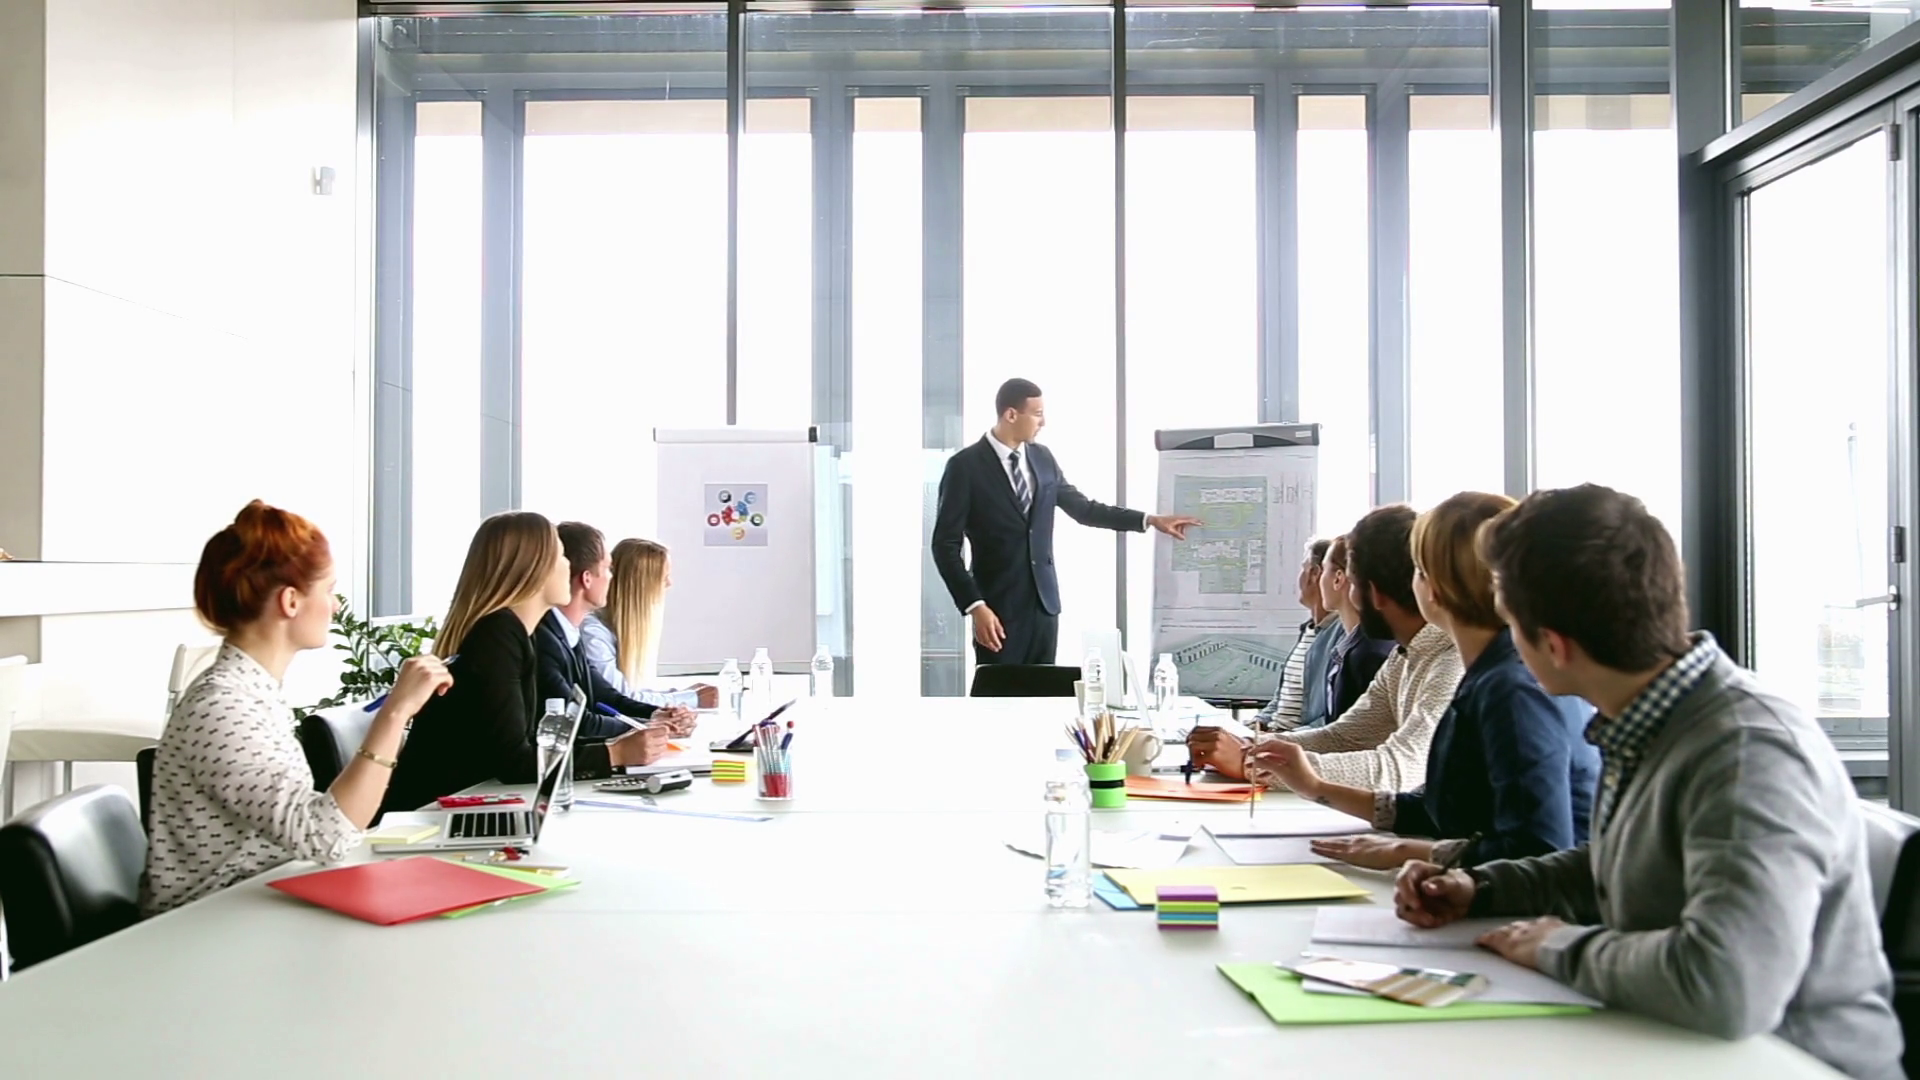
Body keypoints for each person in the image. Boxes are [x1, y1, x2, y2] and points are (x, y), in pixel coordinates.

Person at [1394, 485, 1901, 1079]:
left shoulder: (1747, 753)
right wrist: (1480, 888)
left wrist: (1557, 946)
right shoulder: (1652, 717)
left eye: (1511, 626)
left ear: (1553, 645)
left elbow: (1726, 983)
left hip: (1786, 1062)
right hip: (1676, 1046)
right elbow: (1621, 865)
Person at [1248, 492, 1599, 872]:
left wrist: (1414, 853)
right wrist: (1314, 786)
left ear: (1433, 588)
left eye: (1416, 570)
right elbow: (1437, 809)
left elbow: (1535, 850)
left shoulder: (1511, 687)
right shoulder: (1484, 669)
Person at [142, 501, 454, 915]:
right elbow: (326, 836)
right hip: (210, 925)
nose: (335, 605)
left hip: (260, 907)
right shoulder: (224, 708)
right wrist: (395, 713)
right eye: (328, 590)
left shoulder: (252, 693)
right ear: (290, 601)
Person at [382, 512, 668, 816]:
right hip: (431, 816)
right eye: (561, 556)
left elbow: (533, 740)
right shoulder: (498, 636)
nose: (570, 566)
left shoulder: (519, 634)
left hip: (469, 804)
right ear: (534, 569)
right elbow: (514, 761)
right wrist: (615, 753)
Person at [1187, 504, 1462, 791]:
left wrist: (1250, 763)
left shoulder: (1451, 662)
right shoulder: (1405, 655)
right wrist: (1247, 745)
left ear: (1374, 592)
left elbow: (1399, 770)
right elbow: (1343, 737)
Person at [932, 378, 1200, 666]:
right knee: (998, 690)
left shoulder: (1042, 458)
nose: (1043, 422)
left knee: (1043, 690)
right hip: (996, 611)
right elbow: (945, 545)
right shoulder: (965, 466)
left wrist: (1149, 520)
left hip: (1044, 609)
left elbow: (1084, 509)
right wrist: (975, 606)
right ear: (1011, 415)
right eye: (1037, 414)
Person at [536, 522, 696, 739]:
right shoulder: (550, 640)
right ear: (587, 578)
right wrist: (647, 725)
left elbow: (607, 696)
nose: (612, 578)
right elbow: (576, 723)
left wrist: (657, 715)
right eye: (608, 569)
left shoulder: (569, 635)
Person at [581, 538, 719, 710]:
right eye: (664, 577)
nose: (669, 584)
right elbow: (621, 698)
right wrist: (692, 699)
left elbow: (632, 691)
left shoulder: (613, 630)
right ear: (642, 585)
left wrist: (682, 694)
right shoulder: (593, 634)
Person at [1255, 539, 1342, 731]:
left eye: (1304, 569)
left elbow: (1336, 719)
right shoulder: (1308, 631)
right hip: (1276, 737)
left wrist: (1277, 740)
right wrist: (1255, 726)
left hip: (1298, 743)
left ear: (1314, 573)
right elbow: (1280, 702)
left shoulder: (1343, 636)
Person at [1318, 534, 1396, 723]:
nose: (1320, 579)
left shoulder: (1369, 656)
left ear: (1338, 578)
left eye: (1324, 570)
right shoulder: (1351, 647)